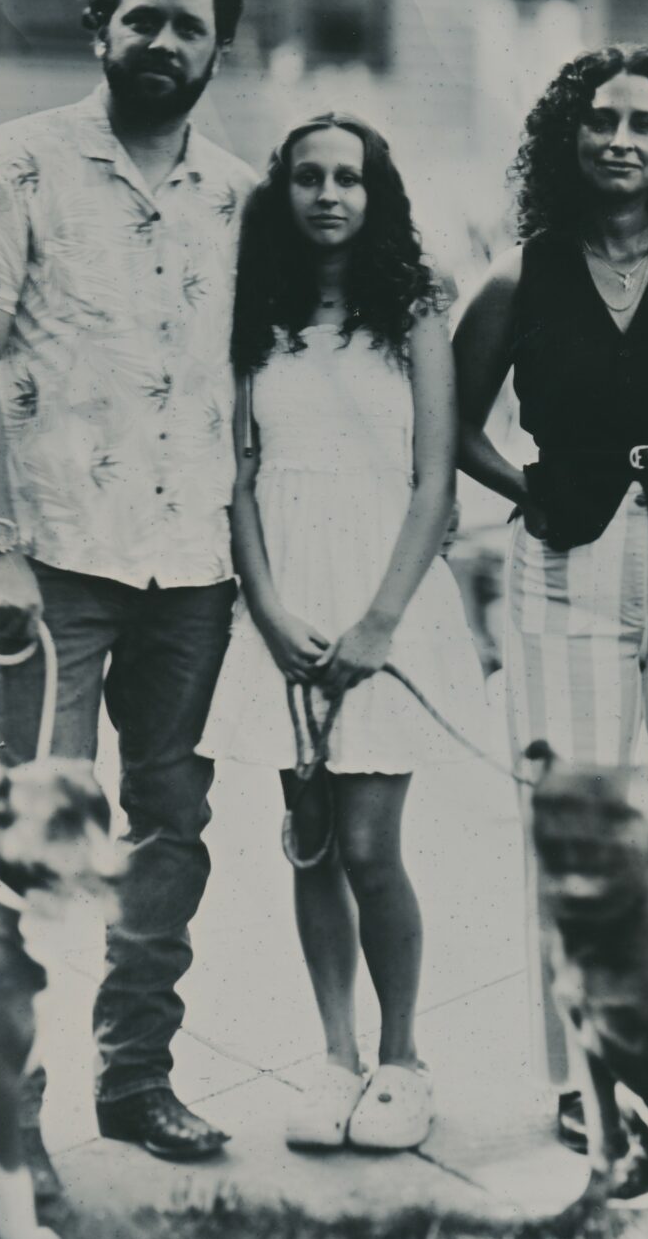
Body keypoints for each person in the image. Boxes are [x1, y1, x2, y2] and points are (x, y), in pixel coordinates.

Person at [0, 0, 260, 1170]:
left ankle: (136, 1080)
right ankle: (2, 1096)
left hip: (192, 569)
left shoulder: (240, 199)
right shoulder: (13, 162)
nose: (164, 40)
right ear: (101, 30)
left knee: (170, 823)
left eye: (189, 25)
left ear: (218, 51)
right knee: (33, 825)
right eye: (144, 17)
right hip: (54, 559)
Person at [452, 45, 648, 1147]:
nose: (622, 140)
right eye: (600, 120)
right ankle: (586, 1087)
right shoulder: (519, 274)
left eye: (644, 123)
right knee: (575, 830)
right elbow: (451, 425)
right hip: (564, 575)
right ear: (567, 136)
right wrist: (527, 489)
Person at [199, 112, 486, 1153]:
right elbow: (236, 474)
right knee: (310, 836)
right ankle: (335, 1057)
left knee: (369, 844)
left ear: (377, 195)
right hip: (287, 596)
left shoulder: (411, 311)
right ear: (283, 193)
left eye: (349, 178)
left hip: (382, 593)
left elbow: (433, 479)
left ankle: (403, 1061)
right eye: (309, 177)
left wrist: (378, 623)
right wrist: (269, 610)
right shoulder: (256, 315)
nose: (329, 194)